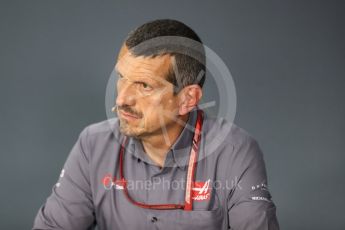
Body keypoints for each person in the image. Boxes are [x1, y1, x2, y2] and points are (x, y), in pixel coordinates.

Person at [33, 19, 279, 230]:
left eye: (144, 86)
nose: (121, 99)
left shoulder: (234, 152)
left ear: (187, 99)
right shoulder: (93, 146)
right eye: (121, 78)